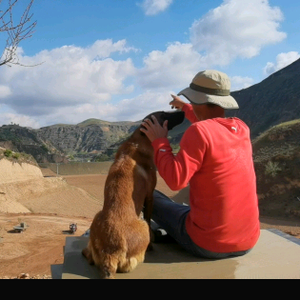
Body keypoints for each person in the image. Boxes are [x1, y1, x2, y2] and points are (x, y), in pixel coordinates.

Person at [140, 70, 260, 259]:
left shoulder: (197, 131)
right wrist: (186, 108)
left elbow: (175, 180)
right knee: (182, 209)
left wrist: (160, 142)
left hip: (208, 244)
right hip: (248, 240)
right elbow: (211, 127)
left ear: (198, 99)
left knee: (147, 193)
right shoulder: (241, 127)